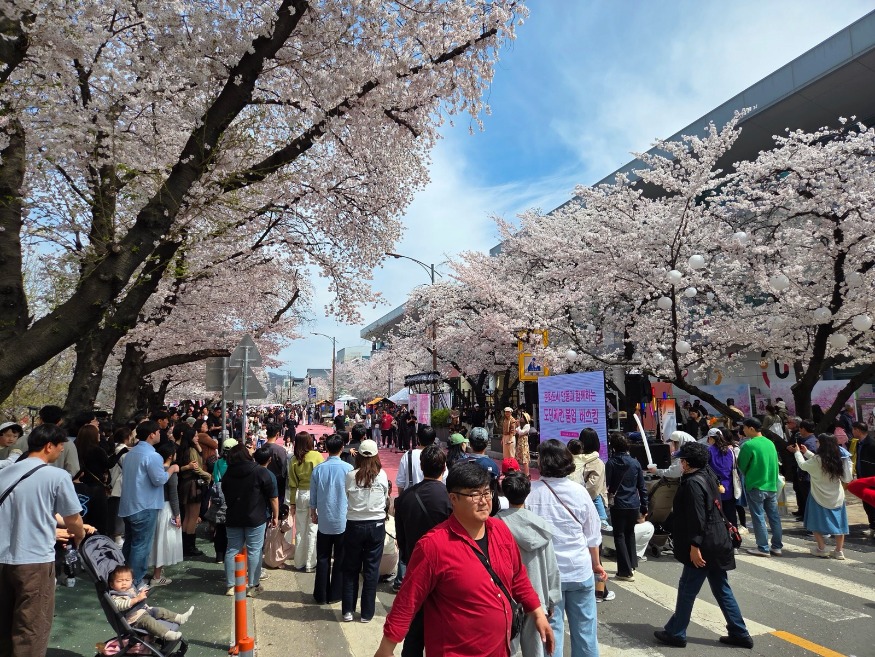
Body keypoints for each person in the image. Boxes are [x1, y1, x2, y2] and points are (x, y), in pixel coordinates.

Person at [376, 462, 554, 657]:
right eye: (474, 494)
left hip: (500, 650)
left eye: (487, 492)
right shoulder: (433, 546)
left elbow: (518, 578)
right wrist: (386, 648)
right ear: (453, 499)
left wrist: (537, 612)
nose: (484, 500)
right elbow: (407, 601)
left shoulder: (500, 530)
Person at [653, 442, 753, 650]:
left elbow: (698, 518)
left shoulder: (692, 484)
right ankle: (739, 632)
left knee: (687, 589)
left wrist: (694, 546)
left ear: (688, 464)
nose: (680, 463)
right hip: (718, 540)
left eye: (682, 460)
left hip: (704, 543)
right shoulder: (708, 475)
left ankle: (676, 632)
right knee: (721, 589)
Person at [0, 423, 86, 657]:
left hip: (3, 558)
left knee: (4, 625)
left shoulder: (5, 472)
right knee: (31, 628)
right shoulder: (57, 476)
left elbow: (30, 509)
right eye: (60, 447)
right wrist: (79, 536)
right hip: (34, 561)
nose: (61, 452)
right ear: (49, 446)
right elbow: (73, 519)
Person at [528, 440, 605, 657]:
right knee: (586, 632)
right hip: (580, 570)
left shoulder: (531, 493)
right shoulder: (580, 492)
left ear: (542, 462)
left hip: (547, 575)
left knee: (552, 633)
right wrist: (596, 565)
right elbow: (592, 535)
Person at [393, 445, 452, 657]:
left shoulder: (405, 498)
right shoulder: (451, 498)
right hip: (447, 568)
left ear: (421, 466)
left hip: (415, 569)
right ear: (444, 468)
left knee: (415, 628)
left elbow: (401, 540)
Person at [498, 470, 561, 657]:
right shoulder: (541, 525)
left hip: (506, 599)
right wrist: (551, 599)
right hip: (537, 597)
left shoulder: (495, 525)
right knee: (535, 652)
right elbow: (552, 567)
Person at [119, 421, 178, 587]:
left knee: (130, 544)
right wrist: (172, 469)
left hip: (129, 505)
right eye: (158, 431)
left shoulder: (131, 453)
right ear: (152, 434)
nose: (160, 434)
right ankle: (135, 581)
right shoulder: (152, 456)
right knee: (141, 547)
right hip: (145, 506)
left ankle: (125, 579)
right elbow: (159, 479)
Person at [221, 443, 278, 597]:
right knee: (254, 550)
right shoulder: (259, 471)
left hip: (233, 516)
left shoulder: (228, 473)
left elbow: (224, 491)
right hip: (256, 517)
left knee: (232, 549)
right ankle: (253, 585)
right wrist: (275, 516)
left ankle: (231, 585)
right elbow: (272, 497)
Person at [343, 439, 389, 623]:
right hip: (376, 524)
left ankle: (347, 610)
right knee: (371, 569)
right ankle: (367, 613)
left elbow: (347, 496)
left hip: (354, 524)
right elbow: (385, 498)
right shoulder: (382, 475)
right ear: (376, 455)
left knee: (351, 568)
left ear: (359, 456)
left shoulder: (350, 475)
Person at [789, 434, 853, 559]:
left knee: (814, 522)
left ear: (822, 445)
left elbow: (804, 465)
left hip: (818, 495)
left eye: (818, 441)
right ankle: (839, 551)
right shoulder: (839, 458)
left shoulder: (817, 460)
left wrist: (797, 452)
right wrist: (806, 452)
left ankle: (821, 548)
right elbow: (821, 462)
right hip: (837, 496)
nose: (816, 443)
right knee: (839, 524)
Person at [310, 434, 354, 604]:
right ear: (342, 447)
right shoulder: (348, 469)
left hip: (324, 519)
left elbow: (313, 495)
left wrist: (313, 513)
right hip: (343, 519)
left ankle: (321, 594)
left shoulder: (319, 469)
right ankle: (336, 594)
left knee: (322, 557)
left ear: (326, 448)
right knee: (340, 558)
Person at [108, 565, 193, 642]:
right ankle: (166, 634)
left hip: (144, 610)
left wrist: (140, 593)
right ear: (112, 585)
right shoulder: (116, 596)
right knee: (149, 622)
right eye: (119, 581)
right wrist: (137, 599)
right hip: (135, 620)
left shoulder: (130, 589)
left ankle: (179, 618)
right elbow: (120, 606)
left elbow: (135, 597)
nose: (124, 583)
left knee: (160, 610)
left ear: (132, 581)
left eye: (127, 580)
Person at [737, 418, 783, 557]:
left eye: (744, 428)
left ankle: (763, 547)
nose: (743, 430)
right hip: (771, 485)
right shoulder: (770, 443)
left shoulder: (749, 445)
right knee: (774, 517)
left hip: (755, 485)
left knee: (758, 517)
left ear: (751, 428)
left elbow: (741, 465)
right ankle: (777, 546)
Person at [606, 432, 648, 581]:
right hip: (634, 503)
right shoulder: (635, 463)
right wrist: (644, 506)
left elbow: (607, 484)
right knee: (630, 534)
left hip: (618, 503)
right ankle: (632, 565)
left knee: (619, 535)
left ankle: (625, 571)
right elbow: (642, 487)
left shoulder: (610, 463)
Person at [146, 441, 183, 587]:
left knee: (155, 541)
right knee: (163, 542)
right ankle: (157, 575)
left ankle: (156, 572)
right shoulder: (171, 471)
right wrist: (177, 514)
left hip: (154, 507)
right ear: (170, 455)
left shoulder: (155, 469)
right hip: (167, 509)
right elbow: (173, 495)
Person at [289, 431, 322, 572]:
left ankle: (299, 562)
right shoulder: (316, 456)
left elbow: (292, 483)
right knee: (312, 529)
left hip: (299, 494)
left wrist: (292, 503)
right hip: (314, 494)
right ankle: (310, 563)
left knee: (300, 530)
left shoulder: (293, 459)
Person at [568, 431, 610, 531]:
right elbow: (593, 488)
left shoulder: (571, 459)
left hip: (576, 501)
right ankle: (603, 519)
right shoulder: (595, 461)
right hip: (586, 503)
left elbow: (592, 487)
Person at [706, 428, 739, 530]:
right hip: (729, 487)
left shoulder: (709, 451)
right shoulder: (730, 450)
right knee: (731, 515)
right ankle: (735, 540)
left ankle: (722, 540)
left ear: (711, 438)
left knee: (717, 517)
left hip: (714, 488)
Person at [852, 421, 875, 536]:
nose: (852, 432)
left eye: (853, 429)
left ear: (858, 430)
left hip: (871, 479)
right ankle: (872, 528)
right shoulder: (858, 443)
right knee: (867, 505)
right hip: (863, 479)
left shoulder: (871, 444)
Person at [515, 411, 532, 476]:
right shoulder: (521, 426)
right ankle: (518, 471)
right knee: (518, 457)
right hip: (519, 443)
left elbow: (521, 432)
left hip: (524, 444)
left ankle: (527, 474)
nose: (521, 418)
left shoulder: (527, 426)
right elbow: (516, 431)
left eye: (523, 417)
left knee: (525, 459)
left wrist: (518, 426)